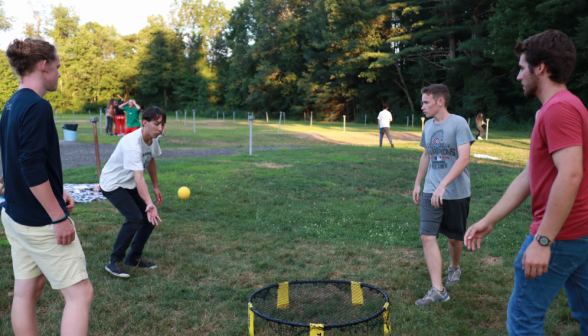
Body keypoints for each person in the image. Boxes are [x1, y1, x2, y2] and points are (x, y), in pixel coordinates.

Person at [465, 30, 588, 334]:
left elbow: (571, 174)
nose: (519, 76)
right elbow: (529, 175)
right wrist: (489, 220)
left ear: (541, 68)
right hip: (578, 235)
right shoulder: (559, 108)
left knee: (523, 321)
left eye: (522, 68)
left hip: (560, 237)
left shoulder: (559, 110)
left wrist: (543, 241)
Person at [1, 38, 93, 335]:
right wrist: (58, 216)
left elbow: (18, 158)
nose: (59, 73)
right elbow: (29, 167)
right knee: (80, 294)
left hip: (14, 214)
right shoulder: (38, 107)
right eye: (57, 67)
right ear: (44, 66)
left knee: (28, 289)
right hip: (39, 221)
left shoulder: (12, 104)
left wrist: (57, 188)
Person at [412, 84, 475, 307]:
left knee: (454, 238)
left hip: (456, 192)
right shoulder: (428, 126)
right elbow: (426, 155)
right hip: (431, 189)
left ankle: (454, 267)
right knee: (427, 236)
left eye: (426, 102)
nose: (422, 106)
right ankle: (438, 289)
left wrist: (444, 185)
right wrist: (418, 183)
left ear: (440, 102)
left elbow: (464, 158)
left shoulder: (458, 123)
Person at [100, 106, 165, 278]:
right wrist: (149, 204)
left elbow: (150, 160)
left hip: (128, 183)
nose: (160, 129)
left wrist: (156, 187)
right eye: (157, 124)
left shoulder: (153, 137)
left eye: (163, 124)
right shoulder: (132, 144)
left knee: (148, 220)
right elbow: (139, 178)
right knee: (135, 218)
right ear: (144, 122)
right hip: (113, 183)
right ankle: (114, 261)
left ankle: (133, 258)